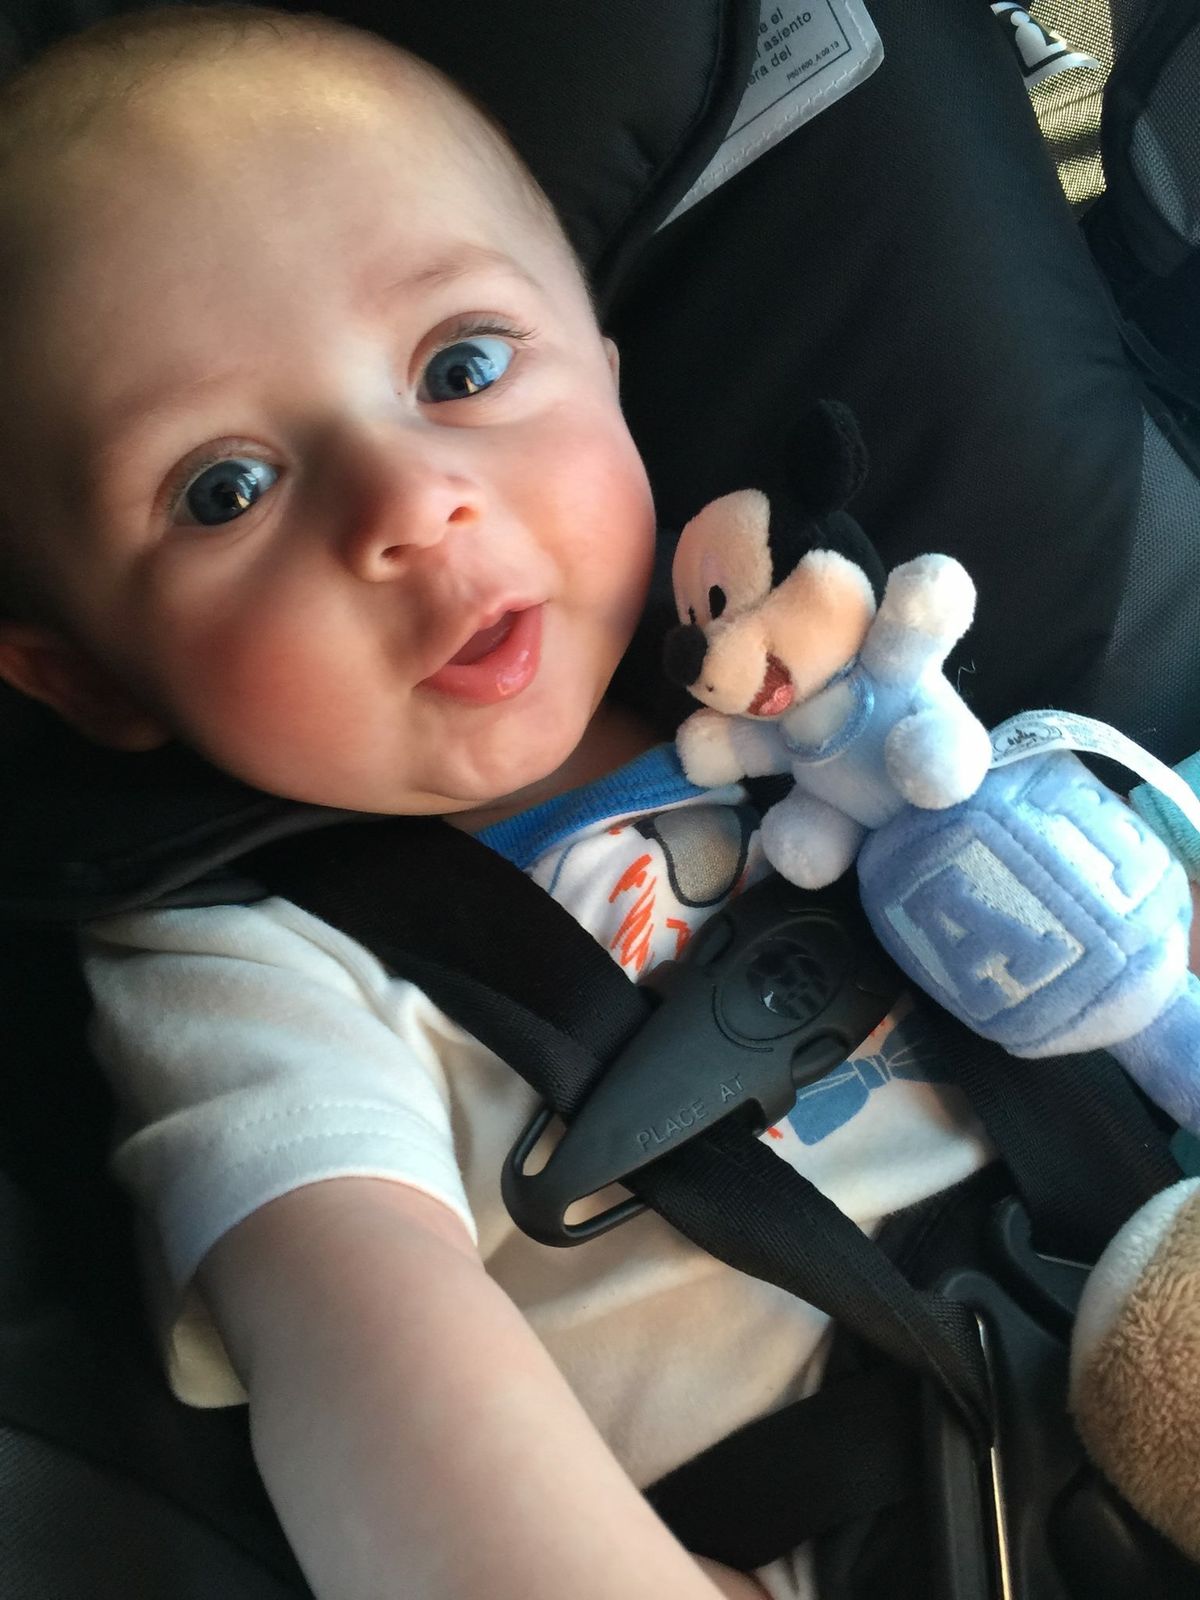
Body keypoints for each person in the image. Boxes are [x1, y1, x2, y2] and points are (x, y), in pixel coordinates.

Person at [0, 7, 1054, 1598]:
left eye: (464, 367)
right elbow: (368, 1366)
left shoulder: (824, 693)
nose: (412, 501)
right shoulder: (248, 975)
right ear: (89, 678)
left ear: (610, 378)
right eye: (226, 488)